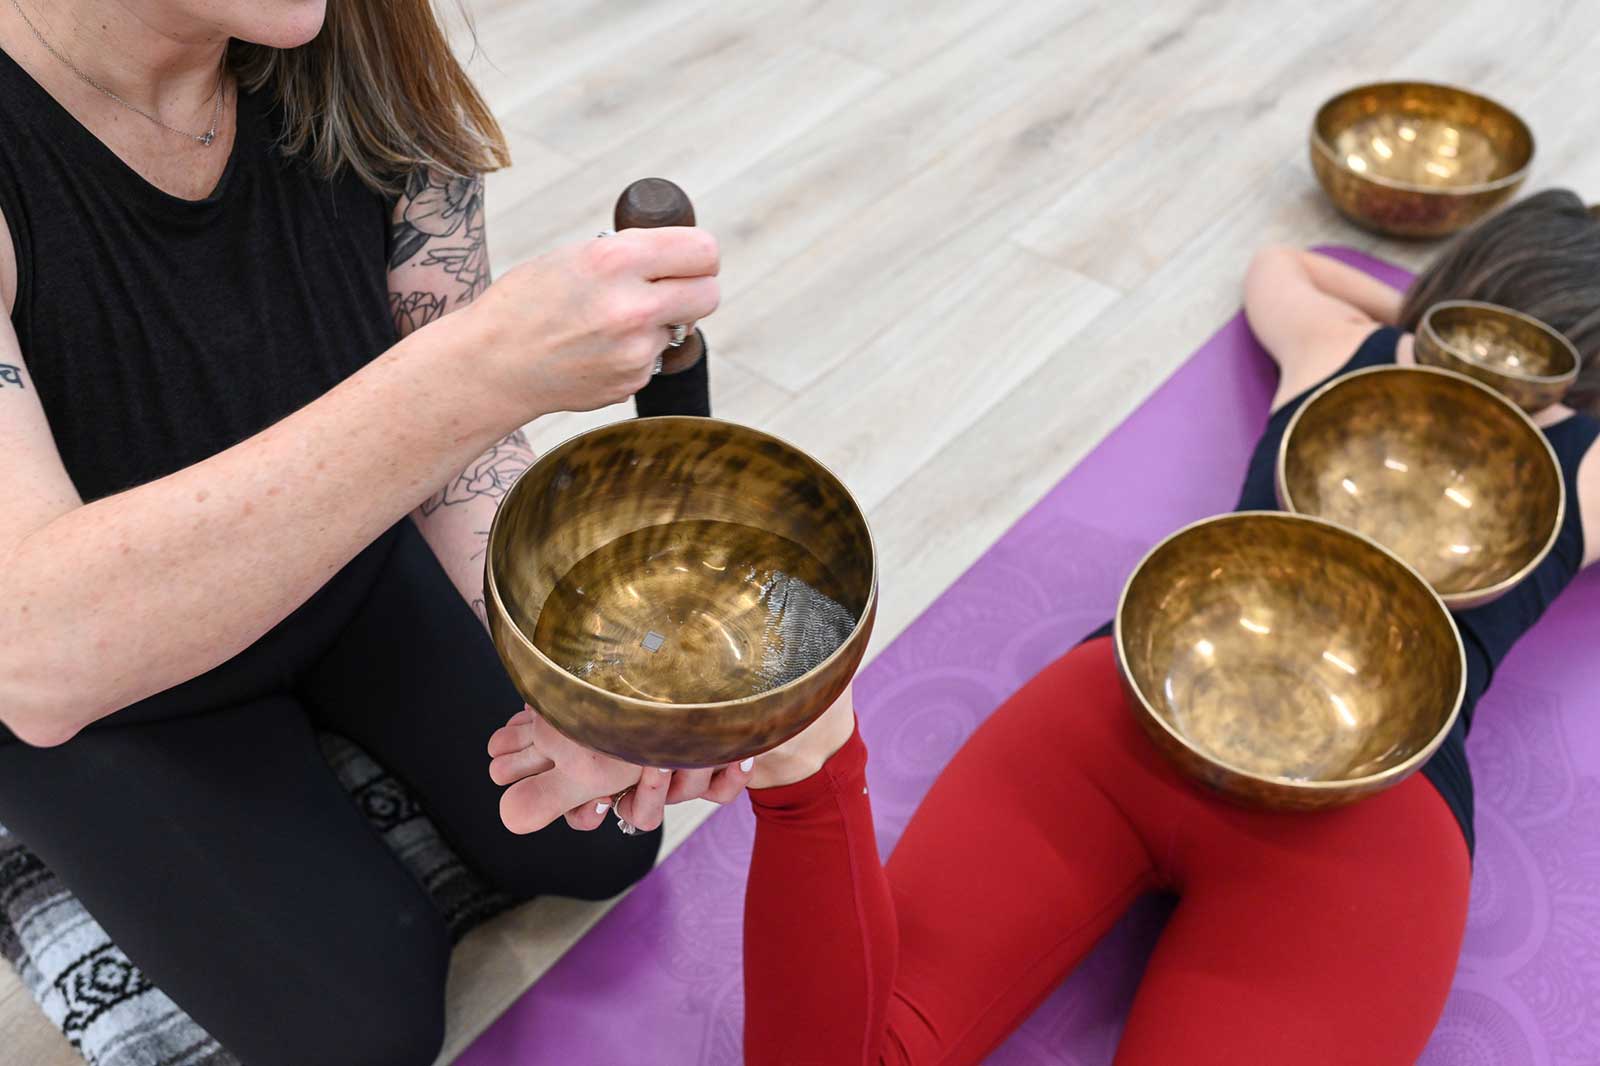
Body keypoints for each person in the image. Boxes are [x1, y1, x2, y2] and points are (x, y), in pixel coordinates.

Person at [490, 190, 1600, 1065]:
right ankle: (803, 753)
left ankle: (808, 759)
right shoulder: (1585, 460)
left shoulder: (1345, 353)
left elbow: (1280, 264)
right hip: (1365, 813)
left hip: (1137, 689)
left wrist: (1410, 316)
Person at [0, 2, 740, 1063]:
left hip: (342, 547)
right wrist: (478, 369)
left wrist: (563, 657)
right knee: (364, 1033)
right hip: (103, 679)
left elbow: (452, 448)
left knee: (605, 839)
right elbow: (35, 653)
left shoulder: (358, 38)